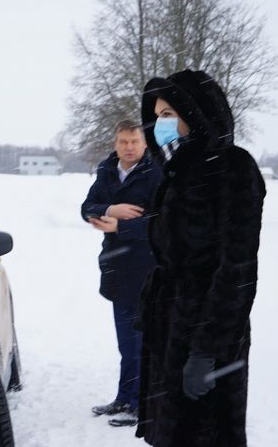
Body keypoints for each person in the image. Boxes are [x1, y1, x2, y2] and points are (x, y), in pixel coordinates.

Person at [136, 69, 266, 446]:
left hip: (206, 332)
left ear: (194, 114)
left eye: (167, 114)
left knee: (204, 435)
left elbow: (237, 270)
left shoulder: (232, 168)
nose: (158, 124)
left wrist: (206, 351)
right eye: (157, 115)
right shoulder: (177, 171)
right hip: (171, 327)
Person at [81, 120, 162, 427]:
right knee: (126, 343)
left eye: (134, 142)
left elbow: (163, 221)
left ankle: (142, 406)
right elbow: (87, 207)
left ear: (144, 144)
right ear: (115, 143)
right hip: (117, 271)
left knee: (141, 343)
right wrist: (111, 209)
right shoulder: (106, 171)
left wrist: (123, 227)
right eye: (123, 141)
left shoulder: (155, 173)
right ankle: (123, 398)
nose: (128, 147)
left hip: (147, 271)